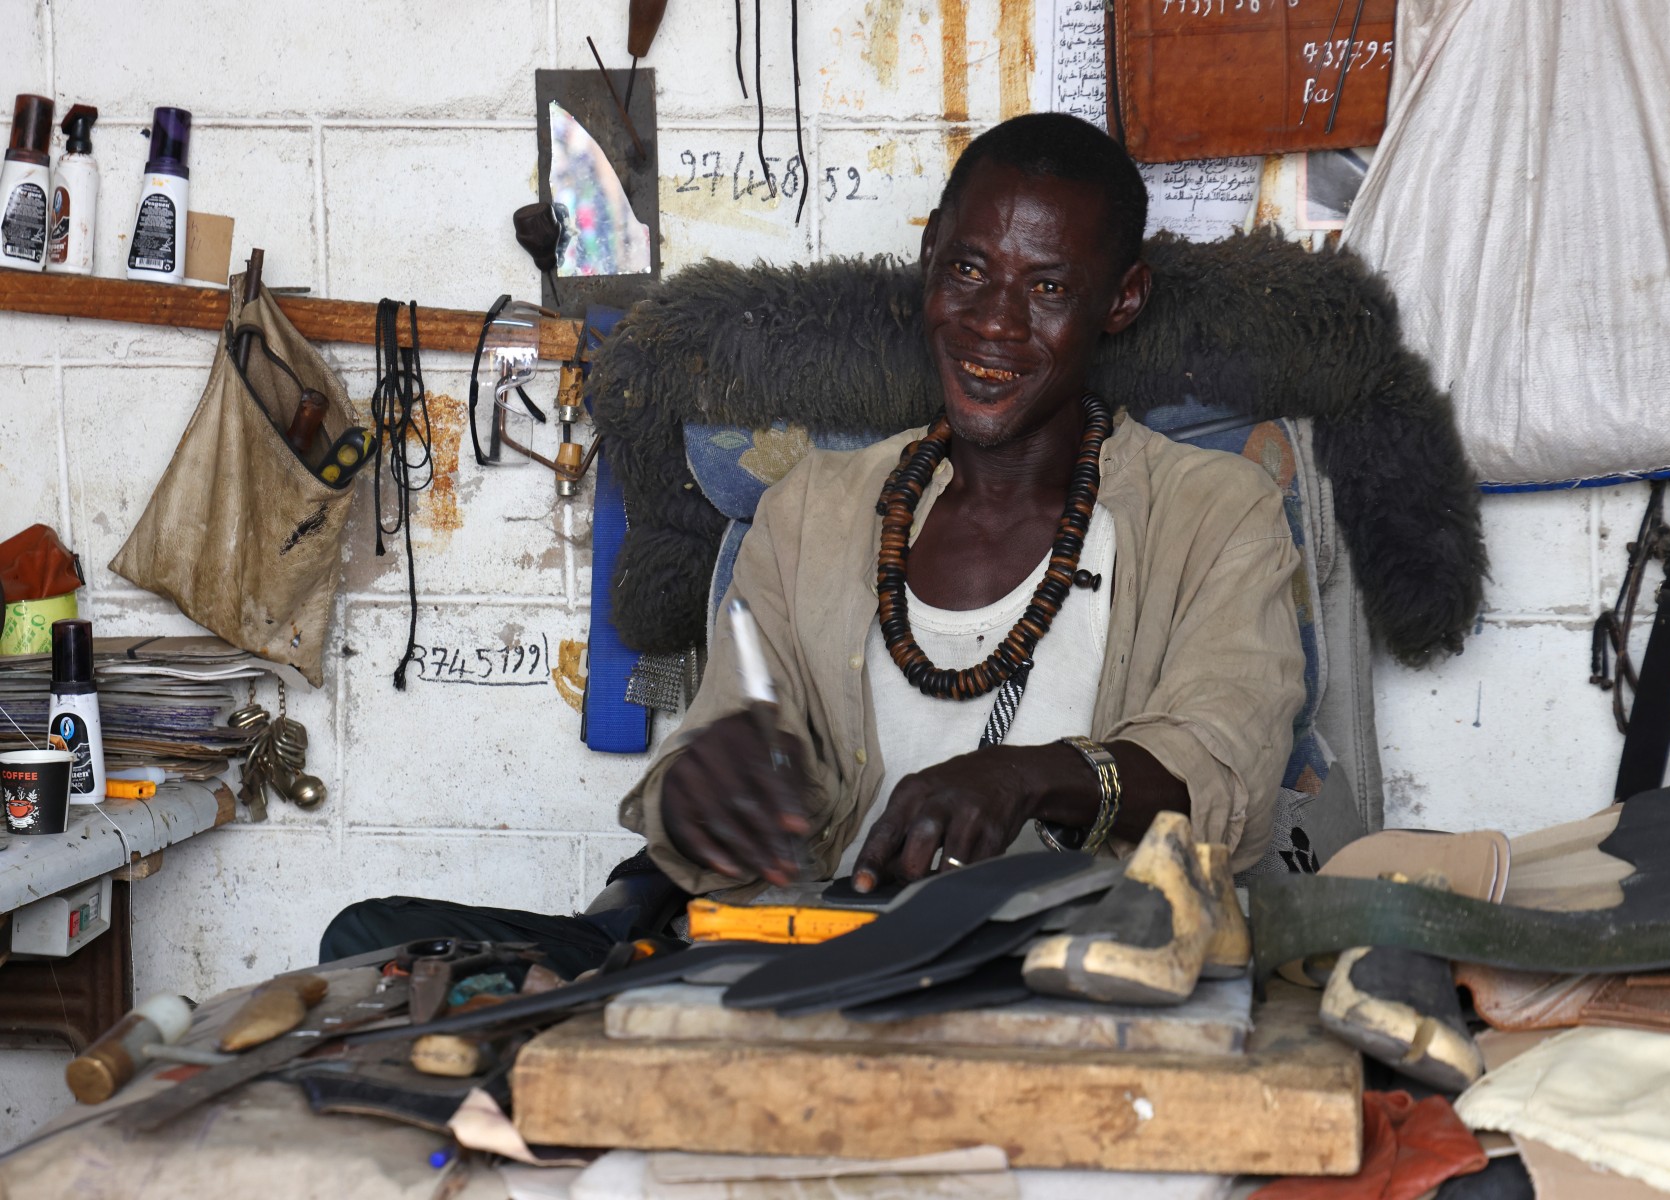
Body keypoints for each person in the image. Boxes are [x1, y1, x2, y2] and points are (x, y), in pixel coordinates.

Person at [320, 112, 1306, 977]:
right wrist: (718, 787)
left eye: (1048, 288)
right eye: (968, 270)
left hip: (1075, 984)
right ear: (929, 258)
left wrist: (1027, 775)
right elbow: (727, 755)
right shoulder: (816, 512)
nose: (993, 325)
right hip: (836, 978)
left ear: (1121, 301)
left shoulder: (1214, 512)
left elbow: (1229, 782)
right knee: (368, 935)